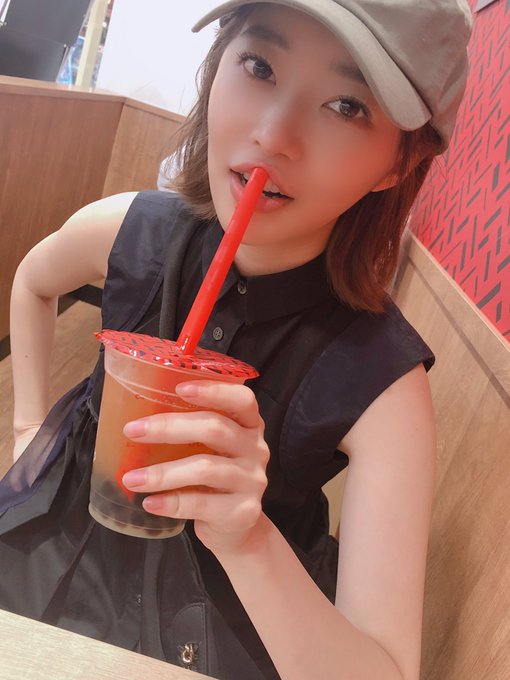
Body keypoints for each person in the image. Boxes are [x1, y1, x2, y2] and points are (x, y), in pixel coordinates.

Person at [1, 2, 472, 679]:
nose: (273, 135)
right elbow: (31, 281)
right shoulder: (133, 231)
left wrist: (249, 540)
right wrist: (27, 430)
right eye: (259, 65)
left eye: (346, 107)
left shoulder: (385, 385)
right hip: (47, 549)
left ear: (399, 164)